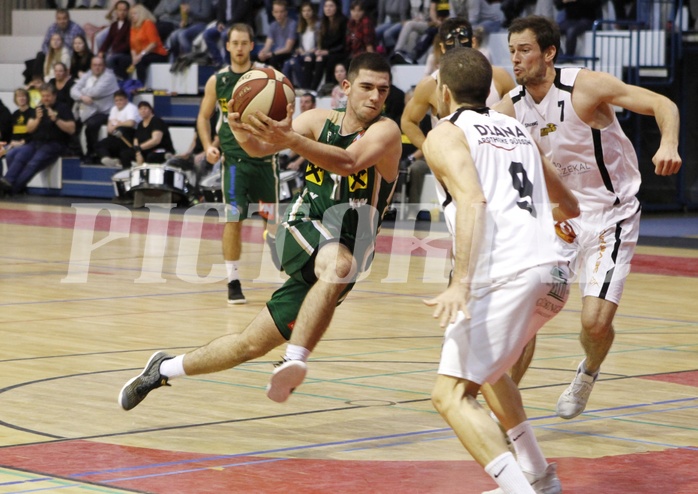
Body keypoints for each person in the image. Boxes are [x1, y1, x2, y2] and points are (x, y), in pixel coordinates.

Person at [118, 52, 401, 410]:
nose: (375, 96)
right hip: (302, 226)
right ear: (345, 87)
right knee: (339, 266)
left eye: (383, 89)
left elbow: (349, 163)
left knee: (249, 344)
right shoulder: (318, 120)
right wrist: (239, 129)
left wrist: (291, 140)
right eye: (366, 87)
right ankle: (294, 359)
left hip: (342, 256)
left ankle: (163, 369)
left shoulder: (386, 131)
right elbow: (260, 148)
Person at [494, 15, 682, 419]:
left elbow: (661, 103)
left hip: (610, 216)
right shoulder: (510, 106)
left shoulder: (586, 87)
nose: (516, 59)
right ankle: (505, 415)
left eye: (524, 50)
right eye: (511, 51)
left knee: (594, 324)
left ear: (548, 52)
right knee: (528, 311)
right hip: (559, 221)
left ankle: (588, 371)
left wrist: (668, 143)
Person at [422, 46, 579, 494]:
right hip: (553, 274)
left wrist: (460, 283)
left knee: (449, 394)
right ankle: (539, 475)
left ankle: (519, 491)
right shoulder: (515, 126)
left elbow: (472, 200)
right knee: (491, 373)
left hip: (506, 274)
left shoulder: (445, 133)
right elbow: (568, 204)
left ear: (443, 91)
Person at [196, 23, 280, 305]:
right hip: (233, 163)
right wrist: (208, 145)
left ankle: (279, 251)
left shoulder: (267, 78)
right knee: (234, 218)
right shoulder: (217, 81)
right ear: (228, 46)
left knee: (272, 219)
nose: (240, 47)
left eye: (245, 42)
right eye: (235, 43)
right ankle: (233, 280)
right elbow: (203, 117)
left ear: (251, 46)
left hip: (265, 161)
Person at [400, 17, 515, 211]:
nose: (458, 51)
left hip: (495, 158)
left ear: (474, 43)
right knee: (464, 221)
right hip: (454, 161)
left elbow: (520, 115)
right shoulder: (431, 84)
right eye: (450, 45)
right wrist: (428, 148)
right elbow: (408, 121)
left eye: (463, 44)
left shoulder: (499, 76)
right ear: (442, 48)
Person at [0, 84, 76, 197]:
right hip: (35, 142)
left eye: (48, 96)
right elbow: (29, 129)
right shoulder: (38, 108)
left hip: (54, 143)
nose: (45, 98)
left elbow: (71, 129)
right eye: (43, 96)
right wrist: (37, 119)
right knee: (15, 155)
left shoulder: (62, 108)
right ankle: (7, 182)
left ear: (54, 96)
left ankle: (11, 189)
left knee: (33, 163)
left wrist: (56, 119)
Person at [70, 56, 120, 163]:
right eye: (94, 65)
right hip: (87, 111)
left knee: (92, 124)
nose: (97, 68)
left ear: (104, 66)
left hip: (105, 112)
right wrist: (82, 97)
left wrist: (81, 91)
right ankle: (78, 154)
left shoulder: (109, 77)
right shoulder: (89, 74)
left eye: (100, 65)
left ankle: (92, 153)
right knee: (71, 125)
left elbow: (95, 92)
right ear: (91, 66)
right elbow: (73, 90)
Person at [202, 0, 263, 68]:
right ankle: (219, 61)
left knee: (225, 35)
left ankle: (229, 63)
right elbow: (220, 12)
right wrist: (220, 23)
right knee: (207, 34)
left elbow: (240, 13)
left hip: (241, 24)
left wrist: (228, 25)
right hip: (226, 25)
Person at [95, 89, 141, 168]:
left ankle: (114, 159)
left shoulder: (131, 108)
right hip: (115, 136)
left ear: (126, 100)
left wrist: (117, 125)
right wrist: (110, 127)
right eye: (116, 100)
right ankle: (108, 159)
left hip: (129, 136)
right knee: (99, 145)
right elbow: (110, 122)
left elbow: (131, 123)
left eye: (121, 100)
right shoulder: (114, 109)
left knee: (121, 130)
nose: (118, 102)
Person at [310, 0, 348, 91]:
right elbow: (322, 43)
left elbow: (343, 44)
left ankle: (328, 87)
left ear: (336, 7)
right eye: (326, 6)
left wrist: (328, 52)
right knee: (311, 59)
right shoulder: (324, 22)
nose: (328, 9)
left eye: (331, 6)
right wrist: (319, 51)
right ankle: (312, 89)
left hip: (339, 52)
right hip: (326, 52)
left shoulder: (343, 21)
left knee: (329, 59)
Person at [125, 101, 175, 166]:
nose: (143, 111)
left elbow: (156, 140)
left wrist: (140, 147)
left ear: (150, 110)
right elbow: (136, 139)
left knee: (151, 156)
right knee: (125, 154)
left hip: (161, 150)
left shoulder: (157, 121)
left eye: (145, 108)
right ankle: (129, 173)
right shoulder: (140, 124)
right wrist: (138, 152)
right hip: (145, 150)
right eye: (140, 109)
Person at [282, 1, 320, 89]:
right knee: (289, 63)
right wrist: (299, 49)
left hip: (313, 53)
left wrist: (311, 51)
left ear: (313, 11)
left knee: (306, 59)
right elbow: (300, 45)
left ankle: (305, 88)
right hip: (303, 53)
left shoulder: (318, 26)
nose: (306, 13)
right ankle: (289, 88)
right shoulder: (301, 26)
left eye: (308, 10)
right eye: (304, 11)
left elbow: (320, 43)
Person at [129, 4, 170, 85]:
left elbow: (153, 43)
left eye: (134, 14)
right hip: (142, 54)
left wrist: (140, 55)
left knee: (141, 61)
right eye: (131, 14)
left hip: (157, 53)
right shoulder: (133, 27)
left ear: (141, 14)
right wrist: (134, 57)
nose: (132, 16)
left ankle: (141, 84)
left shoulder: (148, 23)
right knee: (124, 60)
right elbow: (132, 46)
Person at [256, 0, 298, 71]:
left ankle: (278, 80)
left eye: (281, 12)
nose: (279, 15)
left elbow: (288, 48)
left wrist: (271, 54)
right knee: (256, 59)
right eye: (276, 12)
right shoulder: (273, 25)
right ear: (273, 13)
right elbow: (267, 45)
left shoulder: (292, 24)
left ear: (286, 12)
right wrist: (262, 53)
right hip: (276, 53)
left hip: (289, 53)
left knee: (273, 59)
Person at [98, 0, 132, 81]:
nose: (122, 12)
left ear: (128, 11)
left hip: (125, 54)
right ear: (116, 11)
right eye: (120, 10)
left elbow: (128, 44)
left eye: (124, 10)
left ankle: (112, 79)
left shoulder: (130, 24)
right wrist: (101, 51)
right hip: (114, 52)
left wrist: (114, 51)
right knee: (98, 58)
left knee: (110, 59)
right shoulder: (114, 25)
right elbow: (108, 40)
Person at [0, 89, 35, 160]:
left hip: (26, 144)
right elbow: (11, 132)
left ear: (27, 98)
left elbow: (35, 133)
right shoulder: (15, 114)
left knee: (11, 154)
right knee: (2, 152)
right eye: (19, 96)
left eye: (23, 96)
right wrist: (11, 142)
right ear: (15, 99)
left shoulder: (33, 113)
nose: (21, 98)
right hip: (13, 144)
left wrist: (22, 142)